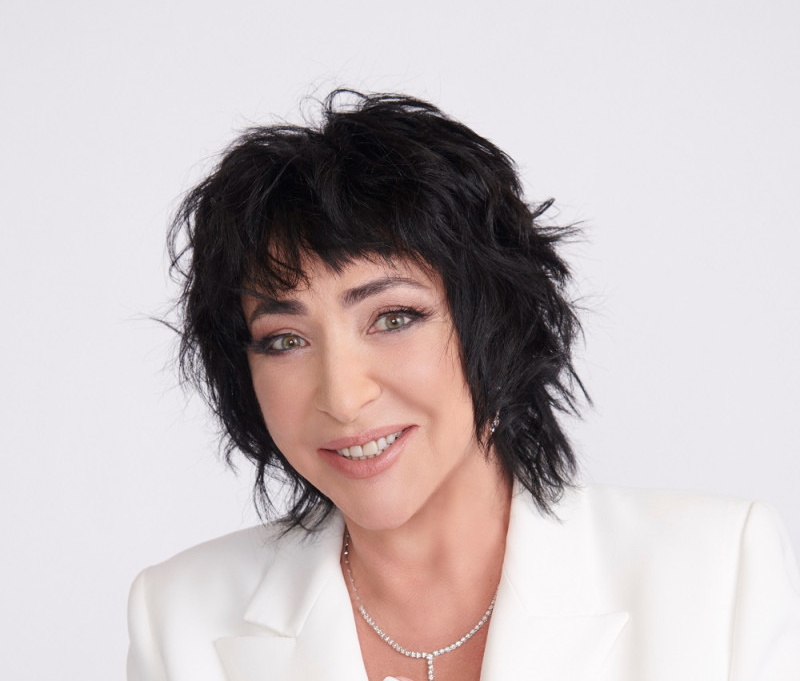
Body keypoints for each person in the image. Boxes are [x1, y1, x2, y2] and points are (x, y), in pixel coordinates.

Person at [127, 90, 800, 681]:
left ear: (495, 324)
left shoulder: (716, 577)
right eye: (285, 340)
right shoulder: (181, 615)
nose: (343, 397)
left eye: (394, 318)